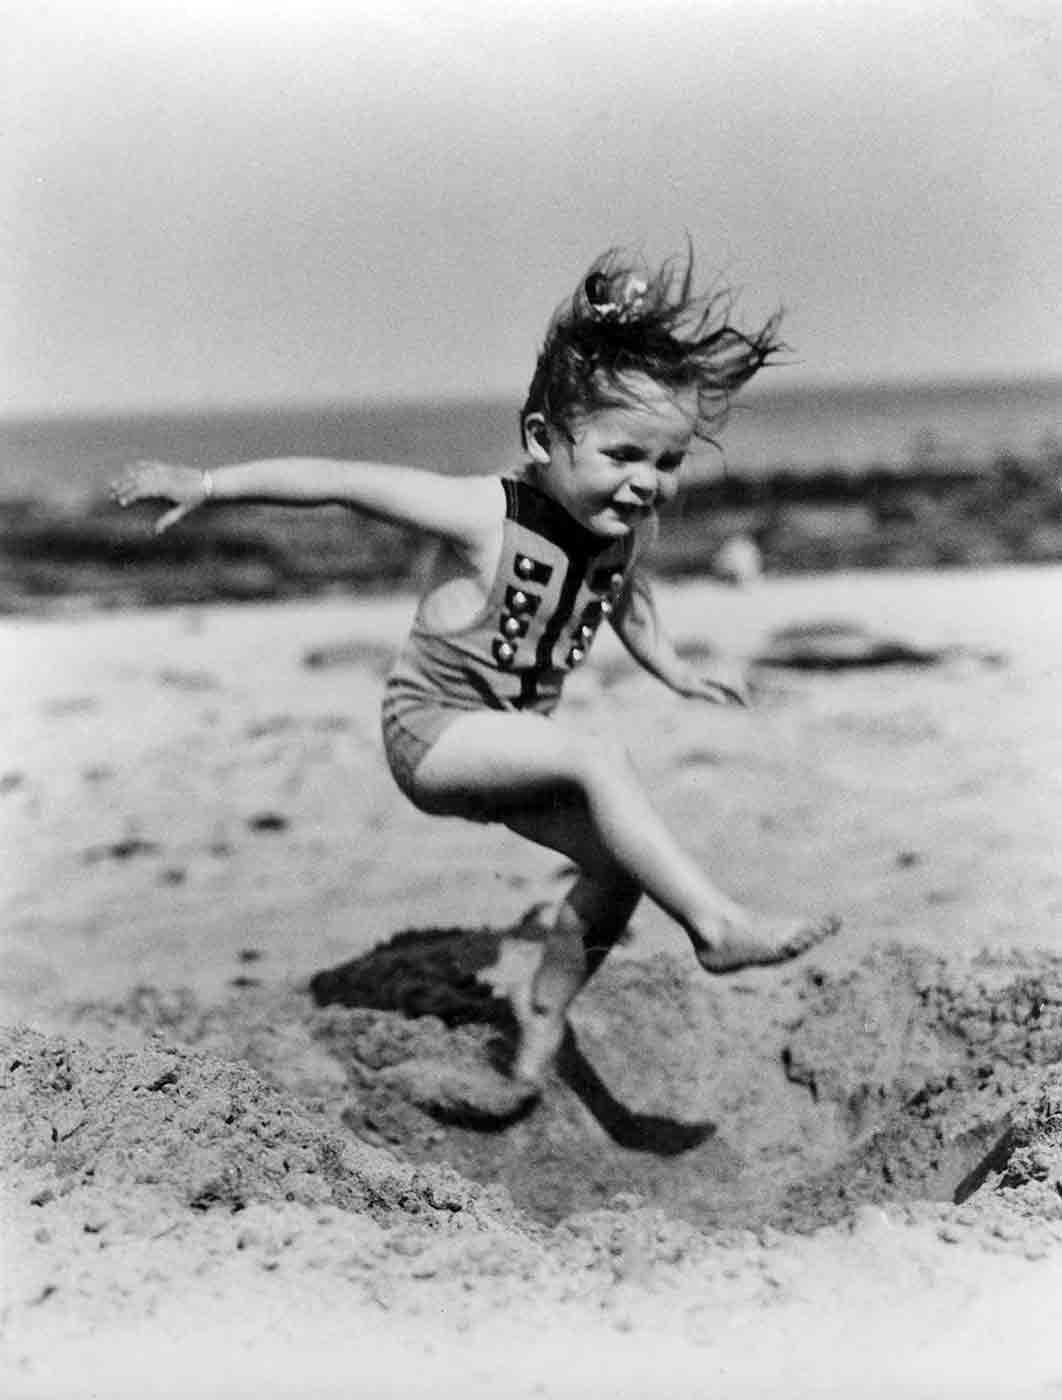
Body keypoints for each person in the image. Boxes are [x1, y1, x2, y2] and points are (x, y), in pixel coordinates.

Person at [112, 247, 840, 1095]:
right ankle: (716, 924)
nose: (645, 483)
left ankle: (543, 1013)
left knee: (616, 869)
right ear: (542, 440)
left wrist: (670, 666)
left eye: (668, 462)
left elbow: (626, 596)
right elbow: (344, 482)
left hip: (513, 746)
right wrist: (207, 482)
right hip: (433, 735)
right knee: (597, 755)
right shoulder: (484, 515)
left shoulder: (622, 526)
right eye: (623, 455)